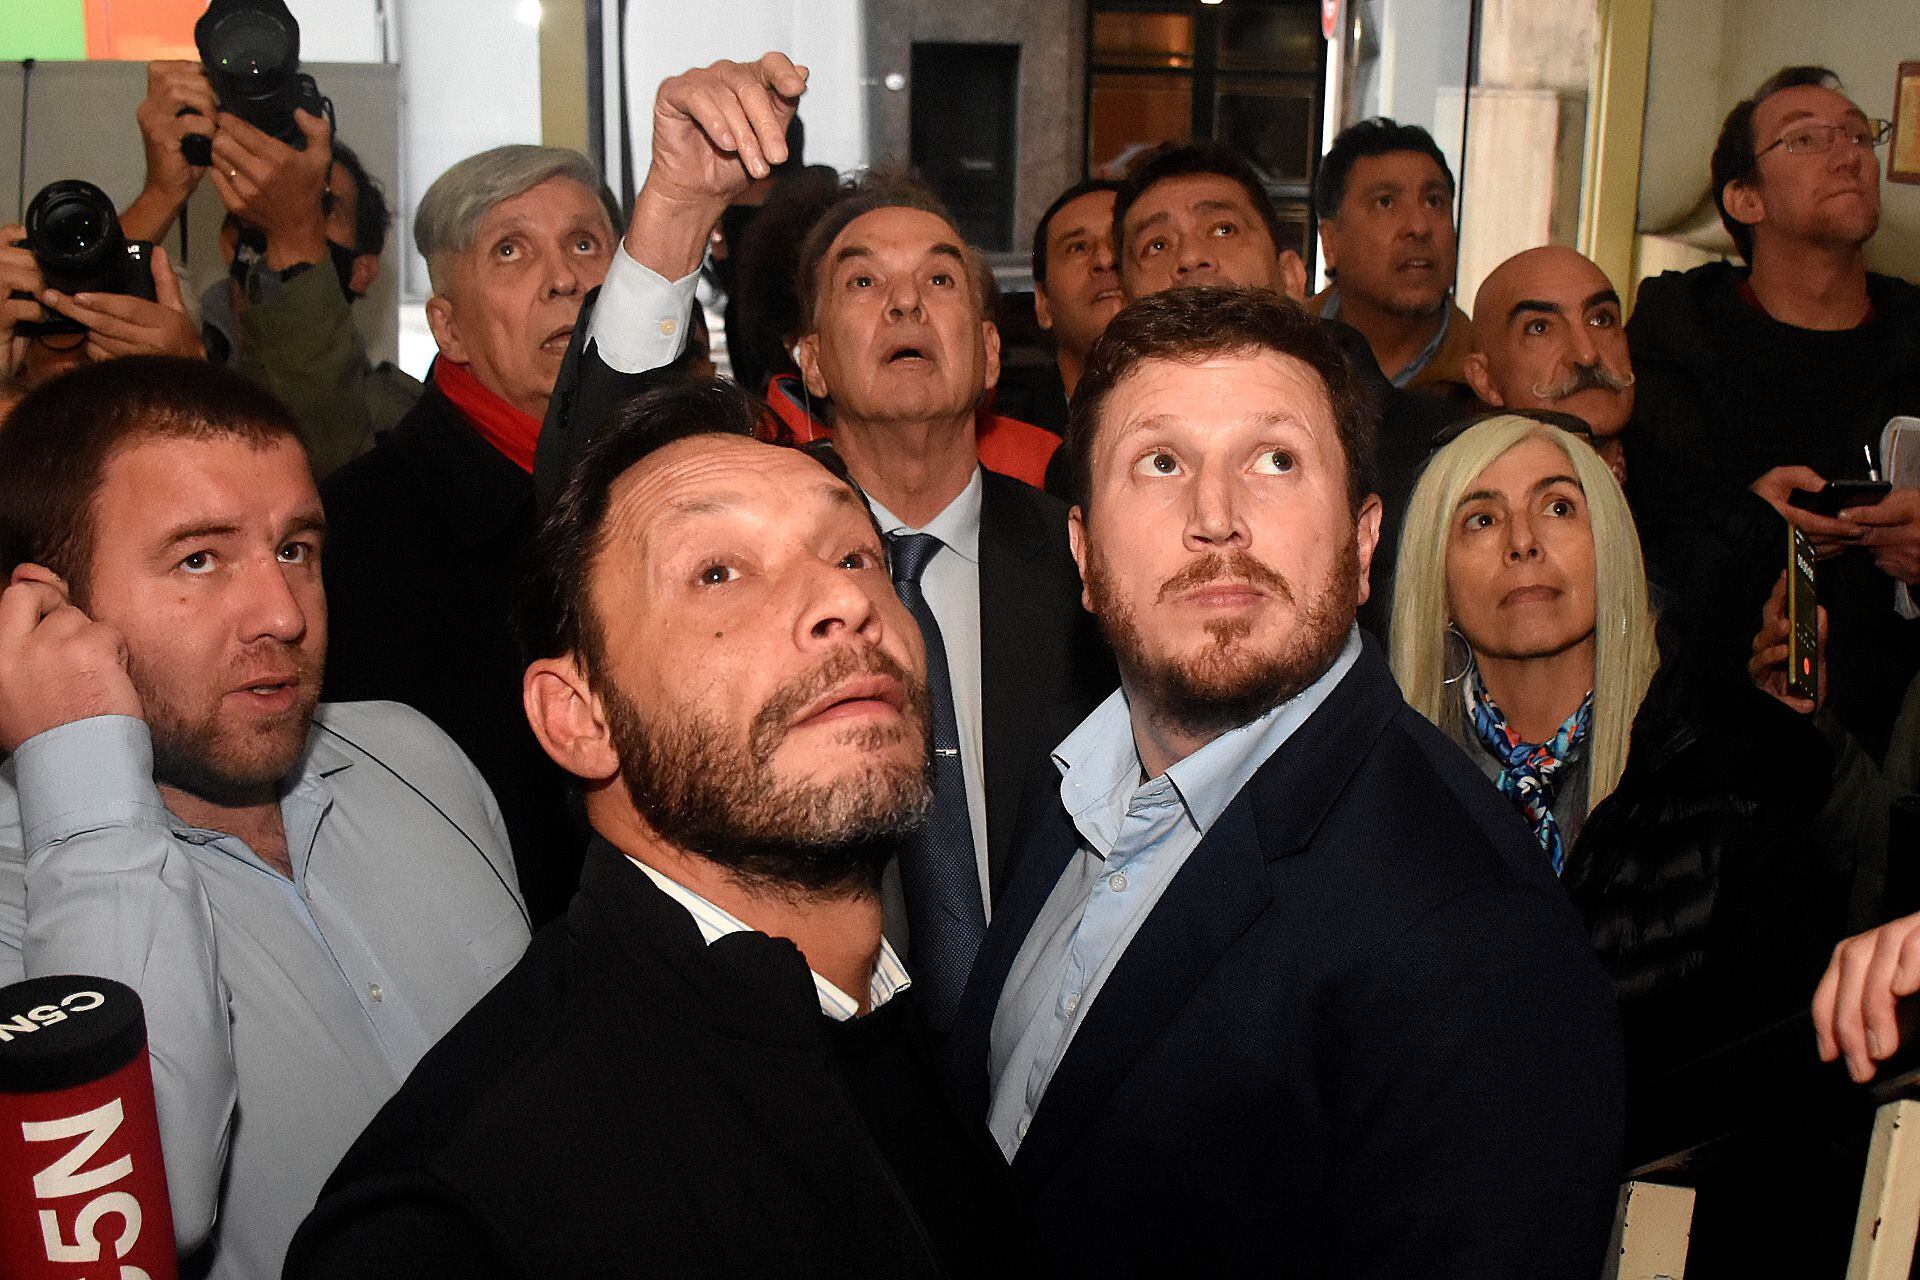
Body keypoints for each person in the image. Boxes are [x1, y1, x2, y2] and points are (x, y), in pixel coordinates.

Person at [285, 381, 1034, 1279]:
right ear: (579, 717)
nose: (844, 599)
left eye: (854, 554)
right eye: (717, 573)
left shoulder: (893, 1030)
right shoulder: (453, 1224)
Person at [949, 286, 1624, 1277]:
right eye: (1161, 462)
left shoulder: (1475, 933)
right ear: (1084, 556)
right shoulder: (1069, 788)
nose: (1217, 518)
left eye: (1275, 461)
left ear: (1362, 542)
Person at [538, 54, 1114, 1031]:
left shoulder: (1083, 565)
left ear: (988, 353)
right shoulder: (742, 561)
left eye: (940, 278)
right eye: (863, 281)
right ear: (809, 359)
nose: (905, 303)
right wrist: (678, 207)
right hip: (785, 1046)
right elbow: (599, 487)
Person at [0, 356, 528, 1280]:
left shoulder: (413, 751)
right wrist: (85, 792)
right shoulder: (20, 899)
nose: (283, 614)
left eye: (295, 550)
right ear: (48, 612)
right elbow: (135, 1221)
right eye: (199, 559)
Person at [1389, 414, 1833, 1062]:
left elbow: (1776, 1076)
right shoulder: (1385, 794)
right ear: (1438, 582)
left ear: (1612, 546)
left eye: (1558, 507)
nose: (1522, 542)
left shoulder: (1736, 774)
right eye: (1480, 519)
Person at [319, 145, 644, 926]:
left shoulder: (676, 487)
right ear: (448, 326)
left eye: (585, 243)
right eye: (510, 251)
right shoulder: (356, 536)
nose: (564, 279)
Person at [1627, 65, 1920, 760]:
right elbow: (1638, 521)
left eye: (1858, 134)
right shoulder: (1679, 327)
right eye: (1806, 139)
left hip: (1896, 730)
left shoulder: (1914, 332)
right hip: (1710, 727)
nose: (1848, 155)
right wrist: (1747, 524)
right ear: (1745, 198)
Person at [1110, 140, 1457, 635]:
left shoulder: (1430, 448)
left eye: (1223, 229)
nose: (1191, 257)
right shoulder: (1094, 460)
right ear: (1123, 305)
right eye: (1157, 245)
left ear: (1293, 276)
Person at [121, 60, 418, 477]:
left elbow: (319, 476)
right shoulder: (162, 342)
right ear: (229, 241)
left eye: (322, 207)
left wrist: (190, 391)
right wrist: (160, 195)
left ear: (363, 270)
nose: (289, 212)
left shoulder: (398, 416)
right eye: (263, 202)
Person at [1309, 118, 1473, 403]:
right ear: (1330, 241)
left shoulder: (1490, 378)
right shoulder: (1279, 350)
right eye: (1385, 202)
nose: (1419, 227)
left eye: (1434, 202)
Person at [1463, 245, 1635, 478]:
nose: (1587, 355)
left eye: (1601, 320)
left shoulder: (1682, 476)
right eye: (1540, 328)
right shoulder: (1461, 492)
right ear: (1484, 379)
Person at [999, 178, 1123, 437]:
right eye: (1078, 248)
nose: (1105, 259)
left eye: (1120, 242)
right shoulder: (1009, 451)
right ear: (1043, 302)